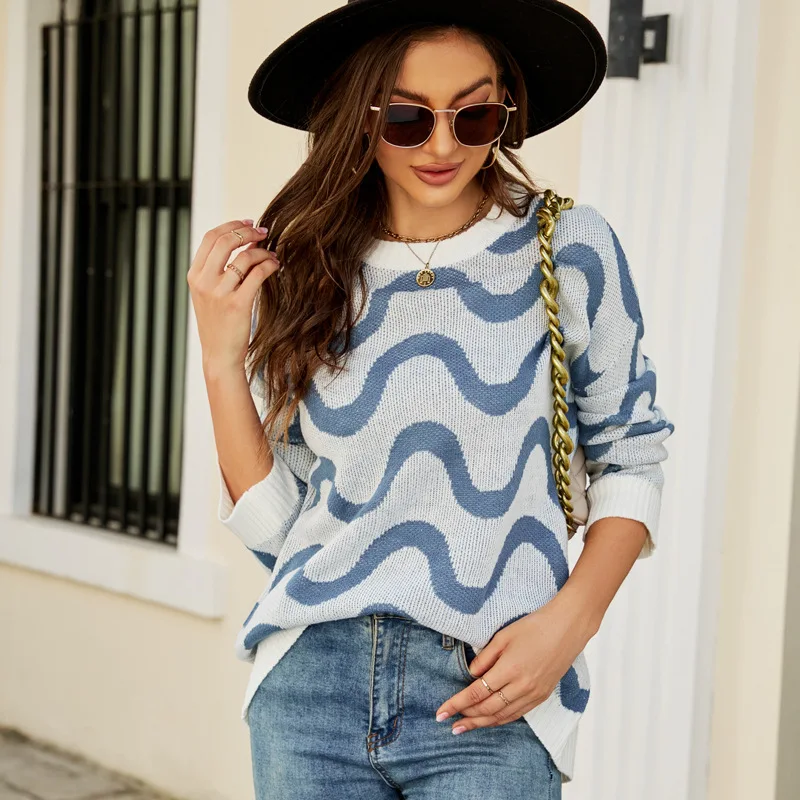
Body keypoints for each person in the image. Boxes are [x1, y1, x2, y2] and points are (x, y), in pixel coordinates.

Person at [187, 1, 674, 797]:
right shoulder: (308, 267)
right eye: (407, 119)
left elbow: (632, 457)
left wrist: (568, 625)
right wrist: (219, 358)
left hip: (490, 696)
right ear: (360, 115)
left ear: (506, 109)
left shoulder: (567, 247)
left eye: (474, 115)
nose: (444, 145)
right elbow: (280, 527)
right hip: (310, 692)